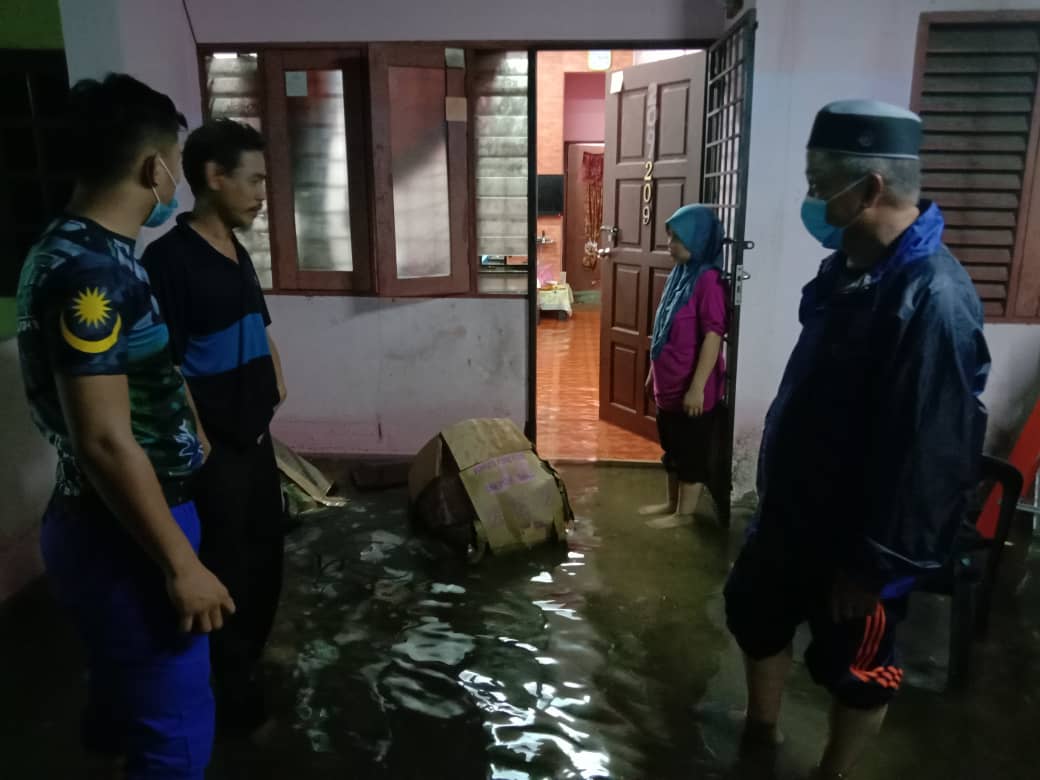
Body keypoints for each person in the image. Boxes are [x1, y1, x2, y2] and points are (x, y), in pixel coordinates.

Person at [723, 100, 990, 779]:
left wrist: (876, 566)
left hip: (858, 540)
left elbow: (933, 454)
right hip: (792, 513)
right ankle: (761, 733)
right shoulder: (845, 269)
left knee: (856, 668)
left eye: (819, 182)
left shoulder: (932, 300)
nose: (811, 198)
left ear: (869, 188)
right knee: (755, 612)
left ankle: (831, 773)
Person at [15, 74, 235, 778]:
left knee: (130, 703)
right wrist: (181, 565)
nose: (176, 181)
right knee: (175, 732)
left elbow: (135, 368)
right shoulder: (90, 272)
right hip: (128, 530)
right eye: (175, 163)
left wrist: (185, 417)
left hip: (113, 518)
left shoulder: (87, 249)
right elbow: (105, 440)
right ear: (153, 167)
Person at [142, 118, 287, 737]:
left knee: (267, 559)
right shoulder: (168, 261)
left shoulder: (237, 250)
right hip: (214, 449)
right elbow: (166, 364)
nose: (261, 195)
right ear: (213, 177)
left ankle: (245, 665)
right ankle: (228, 696)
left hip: (256, 438)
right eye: (253, 181)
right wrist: (198, 437)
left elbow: (260, 323)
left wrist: (276, 377)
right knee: (225, 569)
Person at [639, 204, 729, 529]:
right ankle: (671, 503)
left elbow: (713, 337)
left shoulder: (709, 282)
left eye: (678, 238)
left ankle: (684, 515)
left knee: (691, 454)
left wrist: (697, 388)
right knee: (673, 449)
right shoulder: (680, 274)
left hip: (692, 390)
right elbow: (663, 331)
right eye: (670, 237)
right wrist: (652, 375)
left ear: (699, 239)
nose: (670, 245)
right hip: (668, 386)